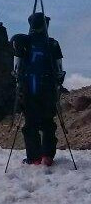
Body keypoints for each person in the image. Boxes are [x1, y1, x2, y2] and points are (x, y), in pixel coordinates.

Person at [12, 12, 65, 166]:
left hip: (30, 88)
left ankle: (34, 158)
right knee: (48, 122)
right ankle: (48, 156)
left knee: (30, 123)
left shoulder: (24, 42)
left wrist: (19, 84)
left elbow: (17, 68)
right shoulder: (53, 44)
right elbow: (59, 69)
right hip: (48, 89)